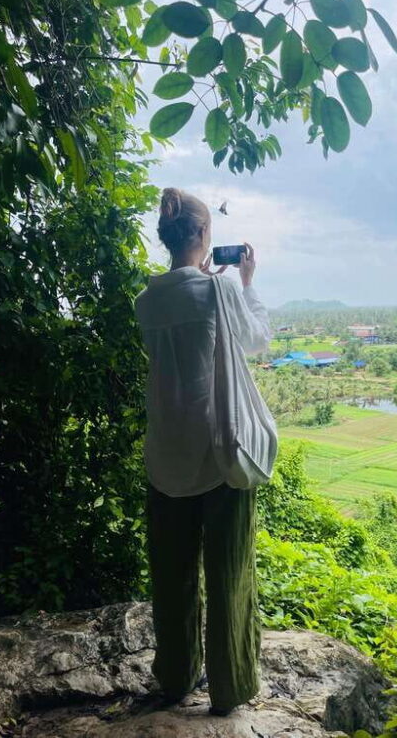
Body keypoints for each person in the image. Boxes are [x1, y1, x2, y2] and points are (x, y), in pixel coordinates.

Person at [133, 187, 272, 717]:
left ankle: (175, 677)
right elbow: (256, 340)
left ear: (167, 237)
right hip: (219, 450)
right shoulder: (220, 291)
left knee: (172, 575)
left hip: (166, 451)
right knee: (229, 572)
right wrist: (246, 283)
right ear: (205, 235)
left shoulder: (147, 301)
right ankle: (229, 687)